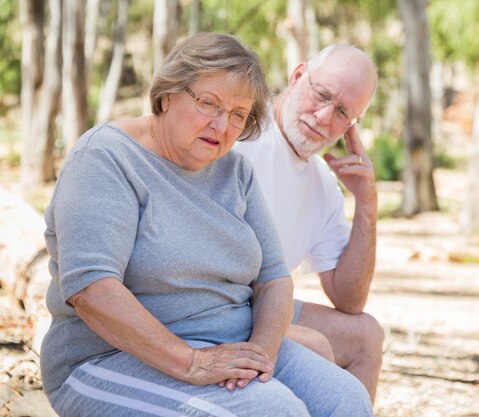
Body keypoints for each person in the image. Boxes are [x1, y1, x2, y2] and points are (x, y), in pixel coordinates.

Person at [40, 32, 373, 417]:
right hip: (105, 357)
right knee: (274, 412)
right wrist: (192, 362)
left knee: (347, 400)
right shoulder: (105, 158)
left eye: (238, 115)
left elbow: (275, 279)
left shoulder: (235, 171)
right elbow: (92, 290)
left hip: (231, 341)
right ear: (167, 94)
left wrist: (263, 353)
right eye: (208, 103)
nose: (222, 125)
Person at [235, 44, 384, 402]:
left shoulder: (323, 184)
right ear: (298, 75)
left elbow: (349, 299)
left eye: (343, 113)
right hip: (215, 307)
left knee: (366, 335)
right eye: (322, 95)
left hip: (266, 307)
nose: (322, 118)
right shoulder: (239, 133)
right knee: (315, 346)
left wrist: (366, 204)